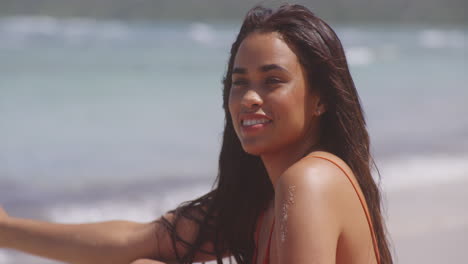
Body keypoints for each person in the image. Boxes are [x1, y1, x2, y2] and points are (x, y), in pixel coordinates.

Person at [0, 4, 393, 264]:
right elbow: (140, 239)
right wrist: (8, 231)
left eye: (273, 81)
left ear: (321, 99)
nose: (250, 98)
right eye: (239, 84)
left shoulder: (309, 181)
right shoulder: (260, 203)